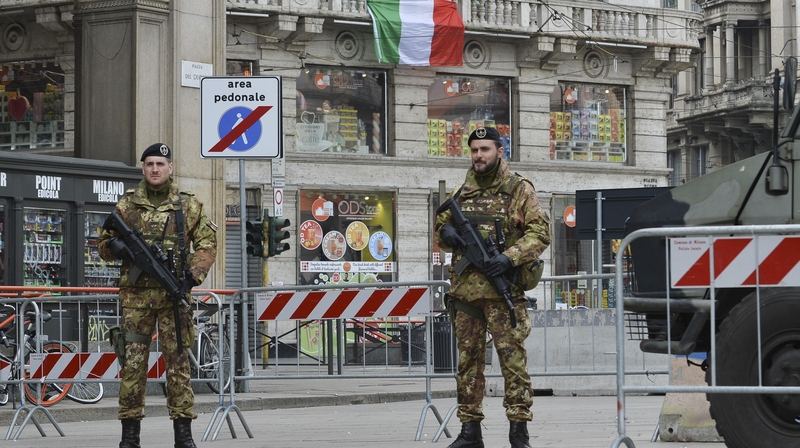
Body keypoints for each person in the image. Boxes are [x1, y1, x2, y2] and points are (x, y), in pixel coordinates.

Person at [434, 127, 551, 448]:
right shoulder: (461, 193)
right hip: (465, 295)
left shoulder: (519, 190)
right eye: (474, 150)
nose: (478, 156)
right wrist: (446, 235)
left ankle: (519, 431)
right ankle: (470, 431)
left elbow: (540, 233)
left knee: (513, 363)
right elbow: (439, 227)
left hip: (503, 293)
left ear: (500, 151)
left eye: (485, 149)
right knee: (467, 364)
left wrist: (509, 258)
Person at [98, 143, 217, 448]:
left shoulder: (188, 206)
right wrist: (117, 248)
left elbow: (206, 243)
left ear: (170, 168)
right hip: (135, 301)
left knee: (178, 365)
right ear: (143, 168)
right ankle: (129, 436)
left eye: (160, 164)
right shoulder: (127, 205)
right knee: (133, 366)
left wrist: (192, 276)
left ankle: (183, 434)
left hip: (173, 300)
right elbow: (103, 246)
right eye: (149, 164)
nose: (154, 169)